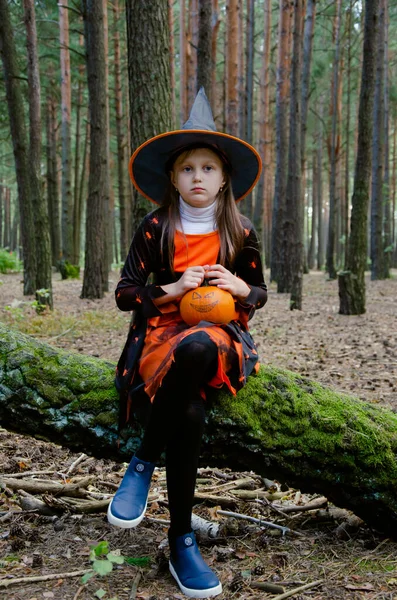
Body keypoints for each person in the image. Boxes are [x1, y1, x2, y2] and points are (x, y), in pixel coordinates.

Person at [107, 88, 267, 599]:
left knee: (199, 347)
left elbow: (258, 291)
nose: (198, 177)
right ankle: (181, 540)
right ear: (173, 178)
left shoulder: (240, 230)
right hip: (160, 337)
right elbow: (124, 294)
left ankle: (143, 460)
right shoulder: (155, 227)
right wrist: (171, 290)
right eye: (187, 169)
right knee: (191, 415)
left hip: (218, 339)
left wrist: (244, 290)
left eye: (208, 168)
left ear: (224, 178)